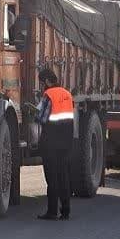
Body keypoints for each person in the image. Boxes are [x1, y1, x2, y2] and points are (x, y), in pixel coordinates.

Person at [34, 68, 74, 221]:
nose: (42, 85)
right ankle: (65, 211)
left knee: (52, 178)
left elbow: (41, 118)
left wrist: (33, 112)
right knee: (63, 175)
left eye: (42, 82)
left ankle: (52, 212)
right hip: (66, 142)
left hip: (51, 143)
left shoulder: (49, 95)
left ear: (47, 81)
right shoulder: (67, 94)